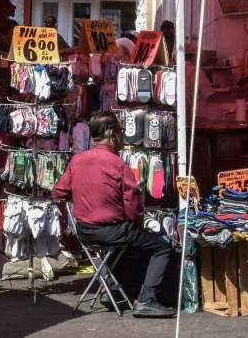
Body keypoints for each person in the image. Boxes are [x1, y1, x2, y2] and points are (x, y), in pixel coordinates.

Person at [52, 111, 175, 318]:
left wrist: (83, 199)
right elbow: (132, 204)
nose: (122, 137)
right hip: (112, 231)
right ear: (111, 134)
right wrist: (135, 222)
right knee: (162, 248)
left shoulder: (77, 160)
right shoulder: (117, 164)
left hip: (85, 232)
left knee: (125, 245)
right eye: (120, 132)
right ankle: (146, 300)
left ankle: (114, 292)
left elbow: (59, 193)